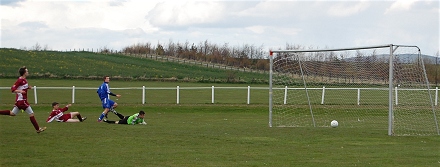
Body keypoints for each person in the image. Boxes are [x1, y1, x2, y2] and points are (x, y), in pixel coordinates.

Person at [0, 66, 46, 133]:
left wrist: (28, 88)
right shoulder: (20, 80)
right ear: (24, 73)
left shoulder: (24, 80)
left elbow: (23, 87)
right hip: (22, 101)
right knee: (31, 113)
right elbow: (12, 89)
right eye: (27, 71)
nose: (28, 72)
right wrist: (20, 91)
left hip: (20, 101)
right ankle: (38, 129)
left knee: (12, 113)